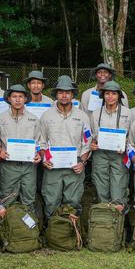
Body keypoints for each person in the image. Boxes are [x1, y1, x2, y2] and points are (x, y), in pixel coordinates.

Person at [37, 77, 91, 215]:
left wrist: (83, 163)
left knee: (73, 201)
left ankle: (72, 231)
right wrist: (44, 160)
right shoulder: (46, 116)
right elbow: (41, 141)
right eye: (61, 92)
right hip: (52, 166)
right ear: (56, 95)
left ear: (73, 95)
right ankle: (53, 231)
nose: (64, 95)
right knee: (51, 200)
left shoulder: (82, 116)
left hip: (75, 167)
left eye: (68, 92)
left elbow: (87, 142)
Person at [0, 85, 40, 211]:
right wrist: (0, 151)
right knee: (6, 197)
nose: (17, 99)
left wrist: (38, 154)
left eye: (21, 96)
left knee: (29, 198)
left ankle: (29, 228)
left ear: (25, 99)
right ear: (9, 99)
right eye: (14, 96)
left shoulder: (34, 119)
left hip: (29, 166)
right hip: (8, 166)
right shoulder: (0, 118)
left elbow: (39, 141)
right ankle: (5, 227)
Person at [89, 80, 132, 206]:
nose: (110, 97)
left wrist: (125, 145)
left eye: (114, 94)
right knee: (101, 188)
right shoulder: (96, 114)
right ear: (103, 96)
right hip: (100, 155)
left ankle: (118, 221)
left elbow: (132, 136)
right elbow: (91, 135)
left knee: (118, 189)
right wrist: (92, 144)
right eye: (107, 93)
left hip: (119, 155)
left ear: (119, 96)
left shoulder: (127, 113)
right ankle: (104, 218)